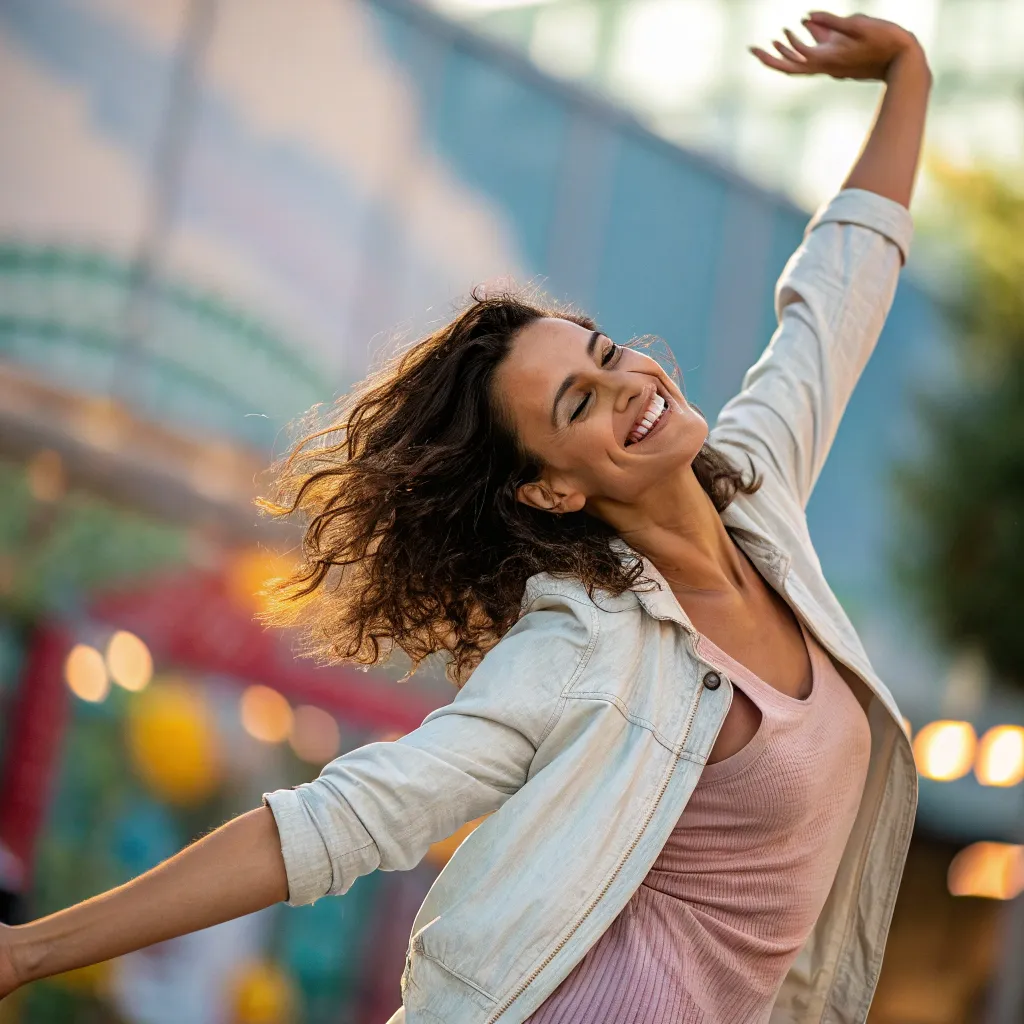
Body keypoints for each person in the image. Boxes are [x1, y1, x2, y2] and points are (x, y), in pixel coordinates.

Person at [0, 10, 931, 1023]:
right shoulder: (583, 646)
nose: (627, 383)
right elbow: (336, 821)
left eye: (604, 352)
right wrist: (27, 951)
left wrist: (907, 76)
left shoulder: (759, 493)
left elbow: (833, 303)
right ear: (550, 487)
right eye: (576, 402)